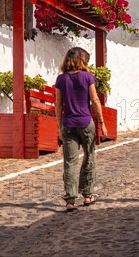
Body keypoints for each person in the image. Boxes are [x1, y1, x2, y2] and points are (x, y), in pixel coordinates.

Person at [55, 47, 108, 212]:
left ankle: (70, 200)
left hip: (68, 124)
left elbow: (58, 104)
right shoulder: (88, 77)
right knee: (89, 157)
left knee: (70, 162)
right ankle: (87, 195)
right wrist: (102, 123)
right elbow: (95, 100)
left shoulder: (61, 79)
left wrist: (59, 126)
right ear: (82, 60)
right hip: (85, 123)